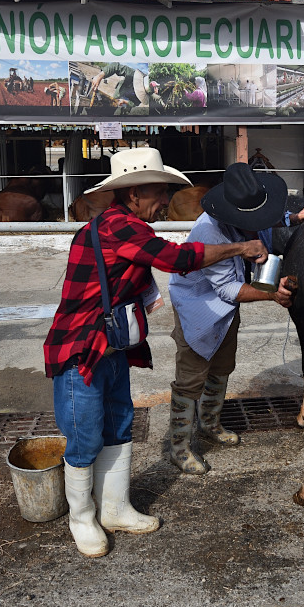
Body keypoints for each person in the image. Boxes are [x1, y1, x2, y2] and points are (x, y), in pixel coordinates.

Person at [43, 147, 268, 558]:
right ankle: (82, 518)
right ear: (132, 194)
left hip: (109, 346)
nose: (165, 201)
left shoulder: (126, 225)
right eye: (158, 192)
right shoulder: (118, 227)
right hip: (81, 348)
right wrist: (240, 249)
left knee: (120, 423)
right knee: (85, 432)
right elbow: (177, 259)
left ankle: (114, 507)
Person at [166, 163, 304, 475]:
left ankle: (210, 423)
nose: (255, 224)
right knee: (192, 376)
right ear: (231, 213)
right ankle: (179, 446)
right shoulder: (208, 231)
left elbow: (263, 223)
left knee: (222, 368)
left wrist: (294, 217)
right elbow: (227, 289)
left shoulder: (247, 215)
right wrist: (271, 293)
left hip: (226, 310)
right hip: (199, 308)